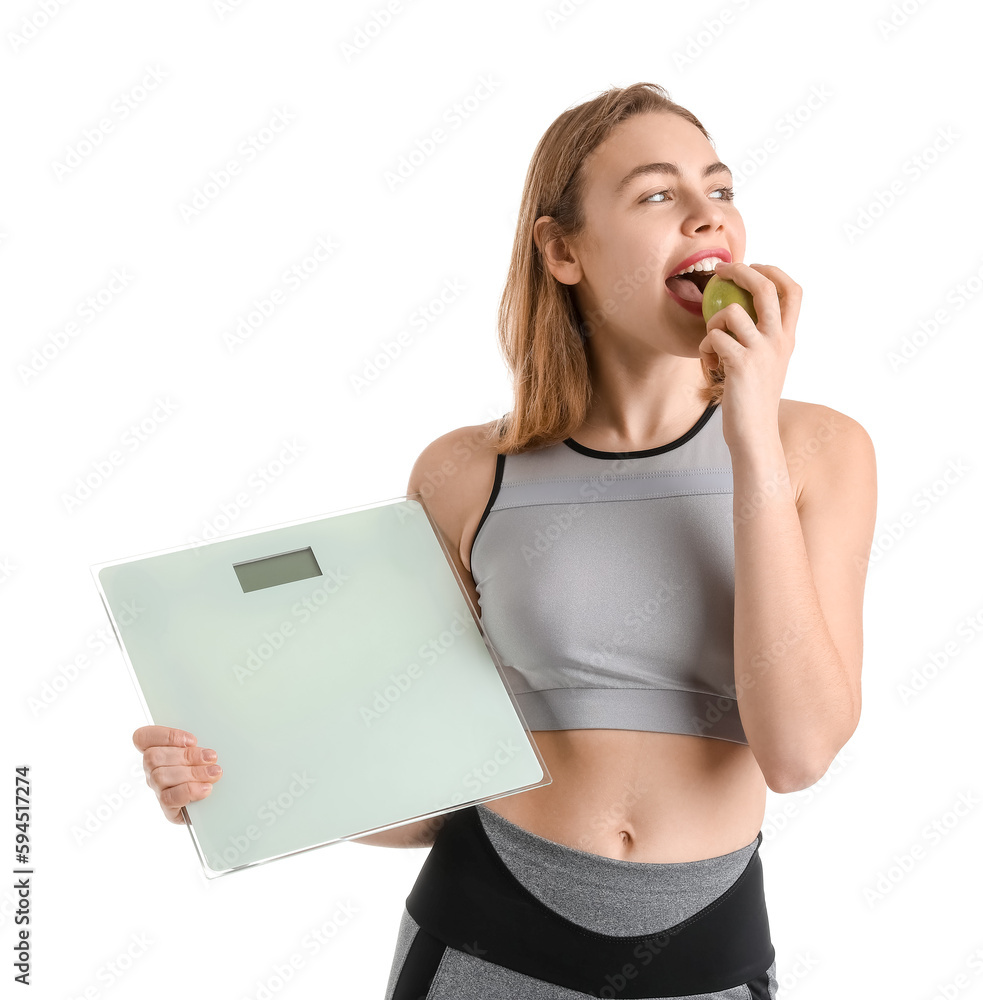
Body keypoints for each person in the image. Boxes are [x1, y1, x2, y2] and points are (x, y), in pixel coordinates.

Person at [133, 82, 878, 999]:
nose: (702, 216)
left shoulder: (817, 449)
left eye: (718, 190)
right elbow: (422, 795)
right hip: (483, 937)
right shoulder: (463, 474)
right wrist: (237, 775)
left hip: (706, 951)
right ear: (561, 250)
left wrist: (750, 436)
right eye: (655, 194)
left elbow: (798, 753)